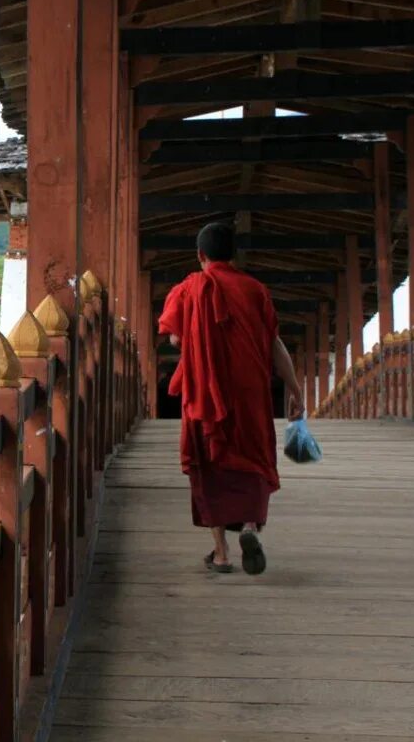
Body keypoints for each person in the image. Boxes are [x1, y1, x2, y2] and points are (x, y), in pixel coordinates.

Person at [158, 223, 304, 575]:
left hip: (204, 390)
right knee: (252, 459)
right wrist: (296, 388)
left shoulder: (188, 290)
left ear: (200, 255)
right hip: (250, 392)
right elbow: (273, 344)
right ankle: (251, 528)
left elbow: (176, 341)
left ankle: (221, 552)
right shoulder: (256, 291)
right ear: (233, 256)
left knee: (209, 466)